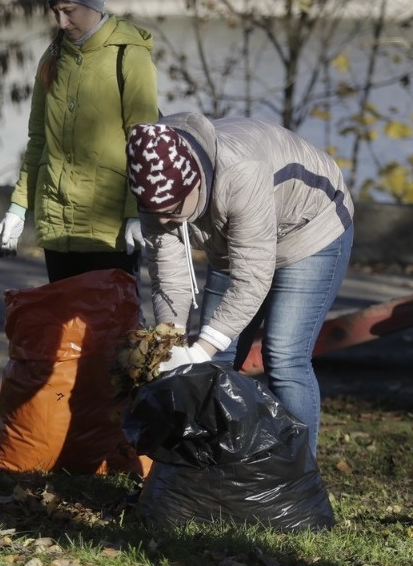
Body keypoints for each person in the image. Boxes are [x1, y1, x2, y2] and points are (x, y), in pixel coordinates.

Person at [126, 113, 354, 457]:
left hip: (311, 227)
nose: (161, 221)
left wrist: (199, 350)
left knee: (284, 356)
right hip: (235, 240)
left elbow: (251, 279)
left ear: (196, 183)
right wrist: (170, 341)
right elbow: (169, 279)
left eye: (172, 211)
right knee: (219, 358)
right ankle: (217, 463)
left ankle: (299, 475)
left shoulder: (240, 173)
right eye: (152, 212)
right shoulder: (156, 187)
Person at [0, 0, 160, 284]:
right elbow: (38, 140)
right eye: (55, 11)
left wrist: (134, 214)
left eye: (69, 11)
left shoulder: (129, 57)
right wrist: (17, 207)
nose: (61, 22)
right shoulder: (52, 58)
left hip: (110, 229)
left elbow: (143, 144)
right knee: (64, 332)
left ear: (95, 4)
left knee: (109, 330)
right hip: (57, 226)